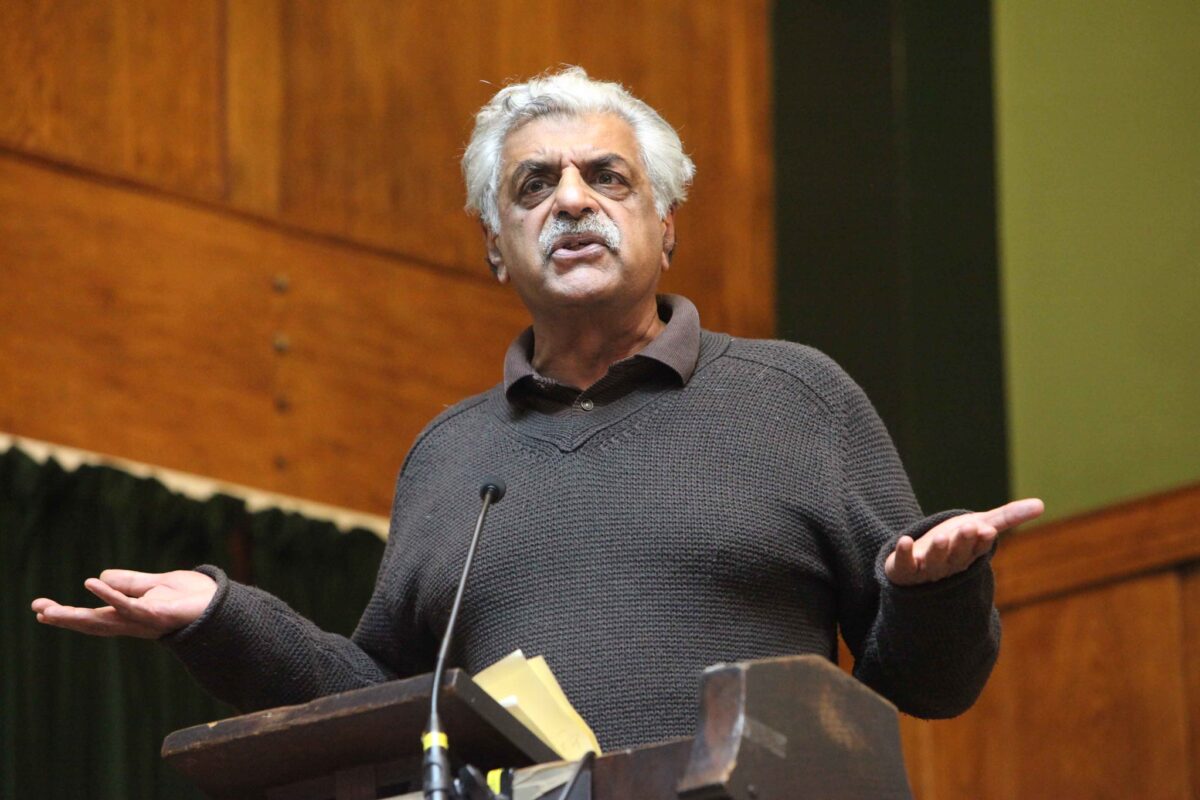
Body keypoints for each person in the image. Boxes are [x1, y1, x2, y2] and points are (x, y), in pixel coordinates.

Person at [31, 67, 1043, 751]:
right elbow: (380, 697)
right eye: (534, 185)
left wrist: (933, 588)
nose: (571, 200)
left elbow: (931, 685)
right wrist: (219, 615)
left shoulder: (798, 397)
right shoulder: (448, 454)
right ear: (493, 243)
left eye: (608, 178)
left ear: (665, 224)